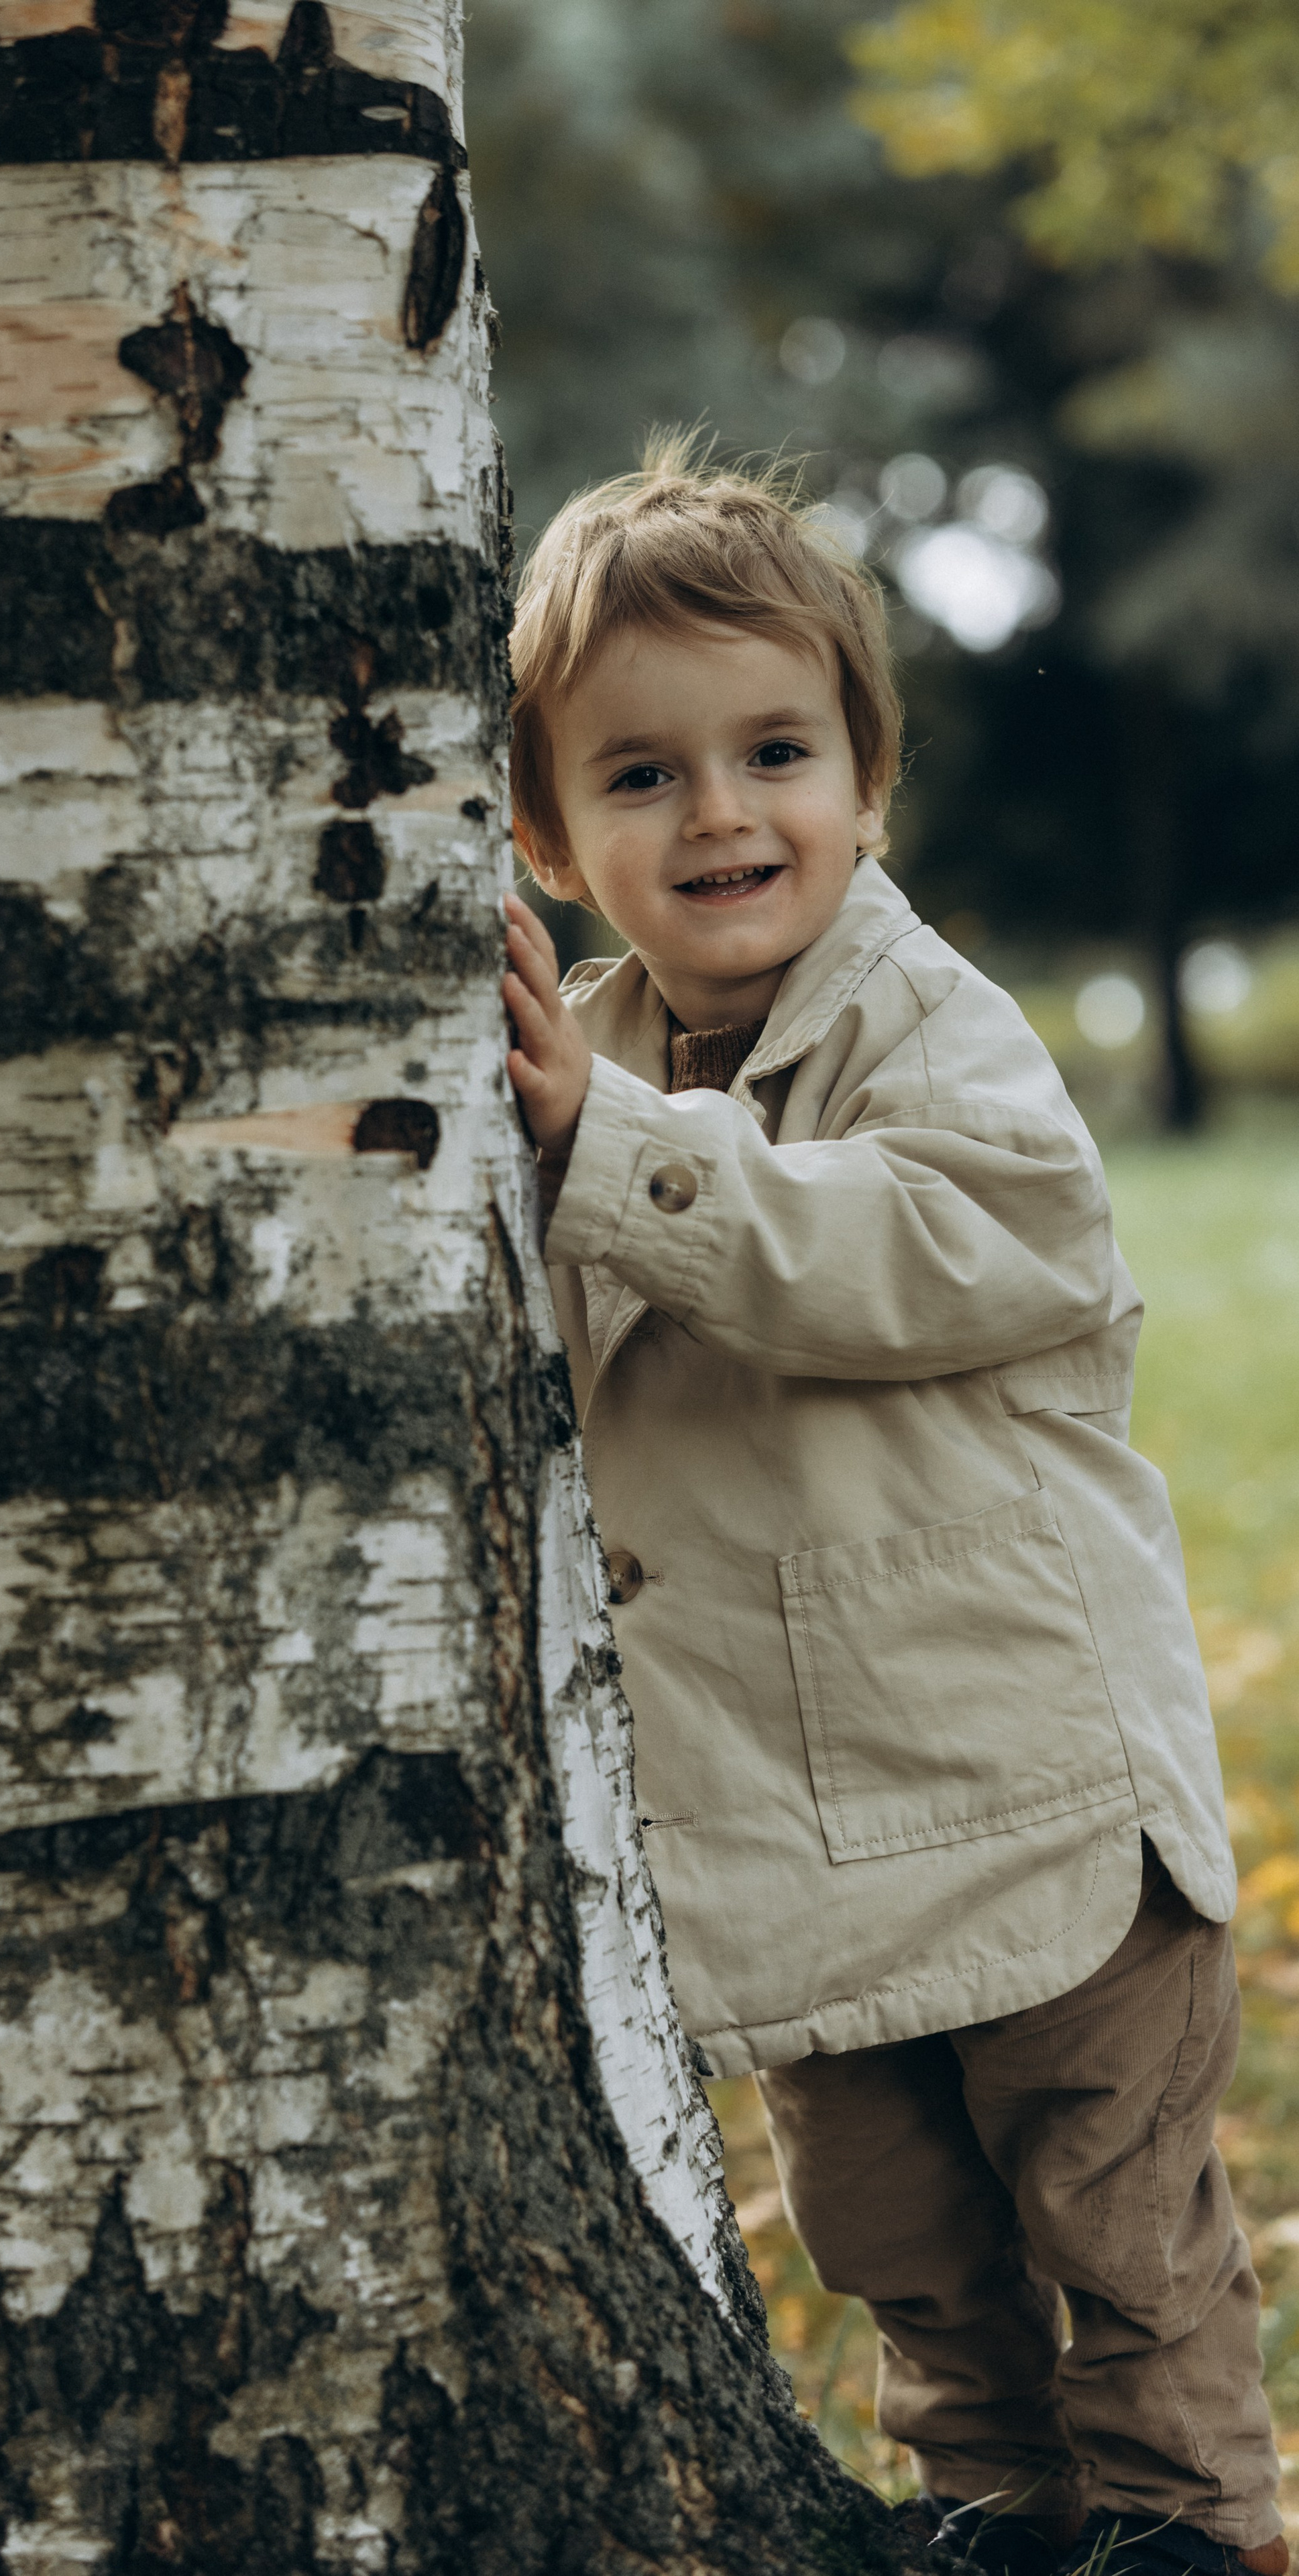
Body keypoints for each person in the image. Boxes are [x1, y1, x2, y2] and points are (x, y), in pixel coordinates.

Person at [499, 435, 1286, 2576]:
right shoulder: (569, 1056)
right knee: (895, 2230)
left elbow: (952, 1245)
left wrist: (619, 1155)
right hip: (794, 1809)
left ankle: (1188, 2527)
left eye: (776, 751)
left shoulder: (932, 1031)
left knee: (1115, 2207)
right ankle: (999, 2510)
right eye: (640, 777)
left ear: (870, 787)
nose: (724, 813)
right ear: (547, 840)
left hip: (1023, 1766)